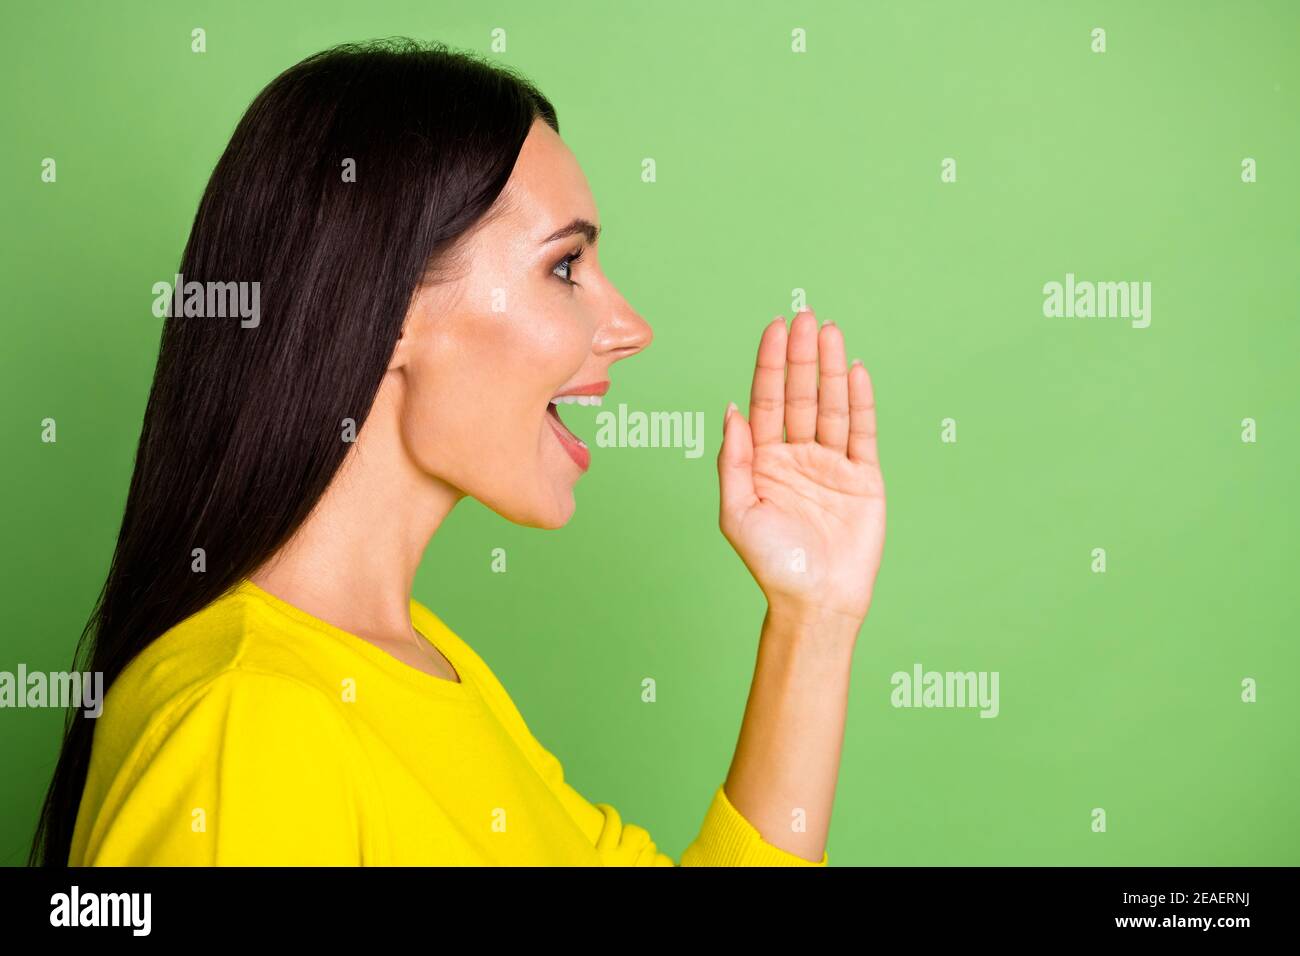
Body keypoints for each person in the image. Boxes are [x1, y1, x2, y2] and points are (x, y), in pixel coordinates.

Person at [30, 38, 886, 867]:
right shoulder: (249, 720)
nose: (629, 329)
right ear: (390, 307)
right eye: (565, 266)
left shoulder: (421, 663)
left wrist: (814, 621)